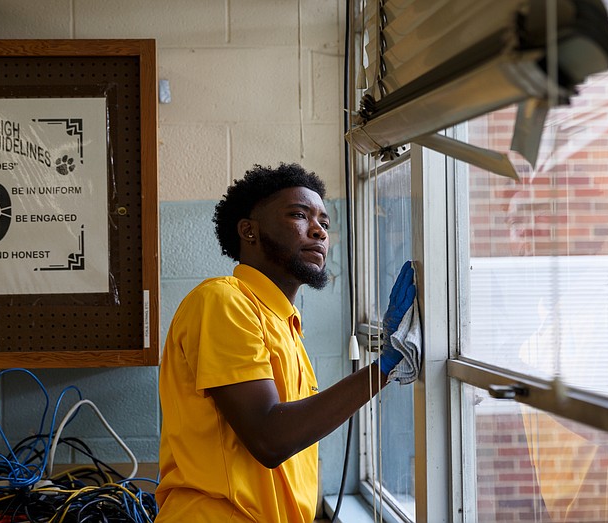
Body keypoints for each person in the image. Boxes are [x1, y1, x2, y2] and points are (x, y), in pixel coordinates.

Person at [155, 163, 416, 522]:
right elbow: (269, 438)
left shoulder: (286, 325)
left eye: (325, 222)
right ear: (249, 231)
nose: (319, 231)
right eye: (299, 215)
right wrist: (382, 369)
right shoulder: (223, 301)